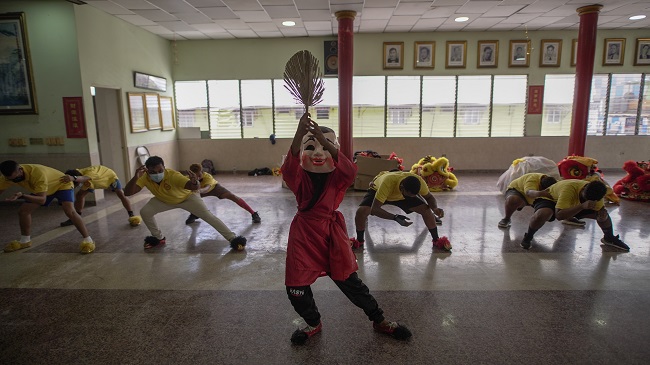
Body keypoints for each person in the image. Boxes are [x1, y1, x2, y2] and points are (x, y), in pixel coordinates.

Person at [281, 113, 411, 345]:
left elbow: (350, 170)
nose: (319, 152)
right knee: (296, 286)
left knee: (350, 282)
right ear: (302, 152)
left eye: (327, 146)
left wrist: (320, 136)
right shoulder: (299, 178)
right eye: (310, 147)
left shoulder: (337, 178)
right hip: (304, 236)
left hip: (332, 235)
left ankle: (379, 319)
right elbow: (288, 168)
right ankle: (313, 322)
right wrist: (300, 133)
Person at [123, 156, 246, 250]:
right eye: (153, 172)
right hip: (164, 200)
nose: (157, 174)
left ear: (164, 168)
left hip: (187, 198)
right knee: (145, 212)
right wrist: (135, 178)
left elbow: (192, 187)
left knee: (208, 216)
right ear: (147, 171)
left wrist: (194, 182)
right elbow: (128, 193)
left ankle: (233, 238)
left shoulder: (173, 175)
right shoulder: (144, 177)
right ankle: (158, 238)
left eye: (160, 170)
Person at [0, 160, 95, 254]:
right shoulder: (6, 178)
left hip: (62, 184)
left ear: (20, 170)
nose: (14, 181)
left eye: (16, 178)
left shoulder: (36, 173)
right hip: (43, 189)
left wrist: (22, 196)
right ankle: (25, 241)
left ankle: (88, 241)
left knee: (70, 211)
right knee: (23, 211)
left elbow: (42, 200)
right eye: (11, 179)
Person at [351, 170, 450, 251]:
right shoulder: (388, 183)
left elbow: (429, 197)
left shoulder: (419, 181)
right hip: (378, 190)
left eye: (414, 195)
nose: (412, 197)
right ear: (402, 188)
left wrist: (435, 208)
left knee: (426, 209)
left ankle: (436, 239)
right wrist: (395, 217)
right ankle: (359, 240)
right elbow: (375, 209)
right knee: (361, 212)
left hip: (402, 194)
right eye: (410, 195)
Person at [545, 179, 629, 251]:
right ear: (584, 188)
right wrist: (582, 206)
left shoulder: (597, 196)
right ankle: (569, 217)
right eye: (586, 198)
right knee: (562, 212)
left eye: (592, 200)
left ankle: (609, 237)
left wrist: (602, 216)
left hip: (573, 205)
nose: (589, 201)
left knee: (602, 215)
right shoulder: (569, 189)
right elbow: (559, 216)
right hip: (552, 199)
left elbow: (600, 213)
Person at [59, 165, 141, 227]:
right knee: (80, 195)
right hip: (92, 182)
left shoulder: (90, 173)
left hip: (109, 177)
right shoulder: (77, 172)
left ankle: (131, 214)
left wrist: (74, 178)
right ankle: (76, 217)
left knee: (121, 194)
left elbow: (84, 178)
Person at [497, 173, 559, 249]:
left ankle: (529, 236)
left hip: (539, 198)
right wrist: (542, 193)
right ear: (540, 185)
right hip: (520, 192)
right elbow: (529, 193)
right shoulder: (532, 179)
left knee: (544, 213)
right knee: (512, 200)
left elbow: (565, 201)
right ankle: (506, 219)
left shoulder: (557, 184)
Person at [184, 163, 261, 224]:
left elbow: (207, 188)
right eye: (195, 176)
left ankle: (253, 213)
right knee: (191, 199)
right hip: (199, 190)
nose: (197, 178)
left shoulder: (207, 176)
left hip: (214, 188)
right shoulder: (188, 178)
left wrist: (198, 190)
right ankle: (194, 214)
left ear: (202, 172)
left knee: (232, 196)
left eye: (199, 175)